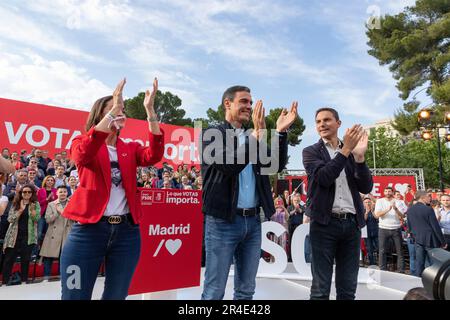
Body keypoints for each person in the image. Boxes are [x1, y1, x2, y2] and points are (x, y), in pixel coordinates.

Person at [60, 78, 164, 300]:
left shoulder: (130, 148)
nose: (120, 112)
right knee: (74, 295)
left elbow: (154, 155)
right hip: (88, 232)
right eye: (114, 109)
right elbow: (82, 155)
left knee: (116, 295)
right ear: (100, 115)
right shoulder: (82, 141)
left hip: (127, 234)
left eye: (122, 109)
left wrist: (150, 112)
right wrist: (111, 113)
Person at [201, 85, 297, 300]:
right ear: (228, 103)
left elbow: (274, 166)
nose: (249, 106)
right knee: (214, 290)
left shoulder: (252, 135)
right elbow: (230, 165)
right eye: (244, 101)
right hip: (222, 222)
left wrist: (280, 133)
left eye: (250, 102)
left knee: (246, 291)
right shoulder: (212, 134)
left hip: (253, 222)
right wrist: (257, 134)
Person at [302, 107, 373, 300]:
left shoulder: (352, 151)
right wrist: (346, 150)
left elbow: (365, 187)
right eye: (318, 121)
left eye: (327, 120)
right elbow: (324, 177)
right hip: (324, 225)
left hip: (351, 225)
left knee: (348, 289)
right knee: (320, 289)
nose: (322, 124)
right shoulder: (310, 152)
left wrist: (359, 158)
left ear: (338, 123)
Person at [1, 185, 40, 285]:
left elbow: (37, 219)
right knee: (9, 259)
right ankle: (5, 281)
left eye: (29, 192)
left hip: (28, 236)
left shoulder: (35, 204)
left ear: (32, 194)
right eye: (24, 192)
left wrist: (32, 212)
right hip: (14, 236)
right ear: (21, 193)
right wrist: (20, 210)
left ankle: (24, 281)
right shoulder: (15, 204)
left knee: (26, 259)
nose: (26, 194)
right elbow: (10, 219)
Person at [407, 190, 446, 277]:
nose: (430, 198)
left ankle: (418, 280)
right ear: (423, 197)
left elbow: (409, 225)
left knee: (419, 262)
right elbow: (435, 226)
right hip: (430, 240)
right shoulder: (428, 209)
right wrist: (443, 242)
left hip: (417, 239)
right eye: (428, 196)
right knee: (434, 262)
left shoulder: (410, 209)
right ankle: (433, 280)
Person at [39, 185, 73, 282]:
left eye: (64, 192)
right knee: (48, 256)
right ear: (57, 193)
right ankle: (46, 277)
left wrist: (64, 212)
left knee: (64, 256)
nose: (62, 193)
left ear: (67, 193)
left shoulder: (72, 204)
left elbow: (75, 218)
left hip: (67, 233)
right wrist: (57, 213)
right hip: (53, 233)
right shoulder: (51, 204)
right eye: (60, 192)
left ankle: (62, 276)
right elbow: (48, 220)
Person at [375, 186, 407, 273]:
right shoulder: (380, 201)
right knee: (382, 250)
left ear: (392, 192)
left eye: (389, 191)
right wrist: (388, 209)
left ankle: (401, 270)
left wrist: (395, 209)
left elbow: (402, 216)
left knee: (399, 251)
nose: (388, 193)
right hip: (383, 228)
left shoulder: (398, 202)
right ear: (384, 192)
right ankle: (382, 270)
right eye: (386, 191)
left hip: (396, 228)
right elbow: (377, 215)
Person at [363, 196, 378, 266]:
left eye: (369, 202)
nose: (368, 203)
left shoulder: (374, 210)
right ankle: (372, 263)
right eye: (366, 202)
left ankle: (380, 262)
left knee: (379, 247)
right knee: (369, 249)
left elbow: (377, 218)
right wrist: (366, 212)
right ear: (363, 203)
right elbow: (363, 221)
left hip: (376, 232)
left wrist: (372, 211)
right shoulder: (362, 211)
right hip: (367, 233)